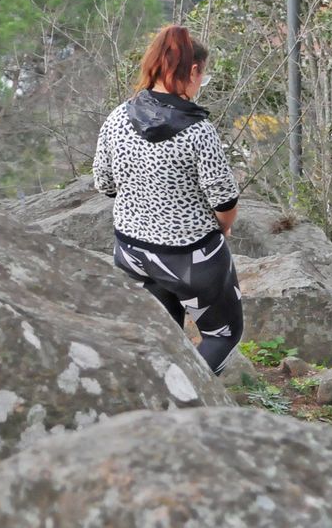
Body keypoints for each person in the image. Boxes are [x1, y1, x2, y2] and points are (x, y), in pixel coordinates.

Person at [93, 25, 243, 375]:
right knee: (222, 335)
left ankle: (153, 398)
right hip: (192, 259)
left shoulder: (117, 118)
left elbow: (104, 183)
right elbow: (224, 200)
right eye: (202, 75)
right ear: (193, 71)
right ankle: (188, 402)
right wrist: (223, 229)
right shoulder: (198, 131)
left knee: (161, 336)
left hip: (133, 254)